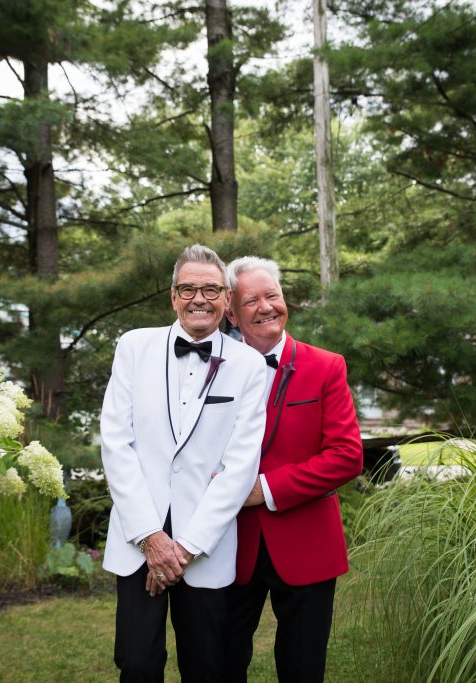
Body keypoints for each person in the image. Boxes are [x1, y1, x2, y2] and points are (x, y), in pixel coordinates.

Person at [100, 244, 267, 682]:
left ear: (227, 300)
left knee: (207, 667)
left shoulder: (249, 366)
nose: (200, 299)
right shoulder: (133, 347)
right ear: (173, 296)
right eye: (188, 289)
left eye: (211, 289)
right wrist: (151, 538)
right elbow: (117, 443)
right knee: (136, 664)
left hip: (204, 549)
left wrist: (185, 547)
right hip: (139, 541)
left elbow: (240, 467)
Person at [223, 256, 363, 683]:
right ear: (230, 311)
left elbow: (346, 455)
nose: (267, 306)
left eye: (274, 296)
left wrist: (262, 489)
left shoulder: (326, 366)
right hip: (228, 544)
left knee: (303, 670)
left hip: (308, 543)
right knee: (217, 665)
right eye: (252, 300)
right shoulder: (213, 369)